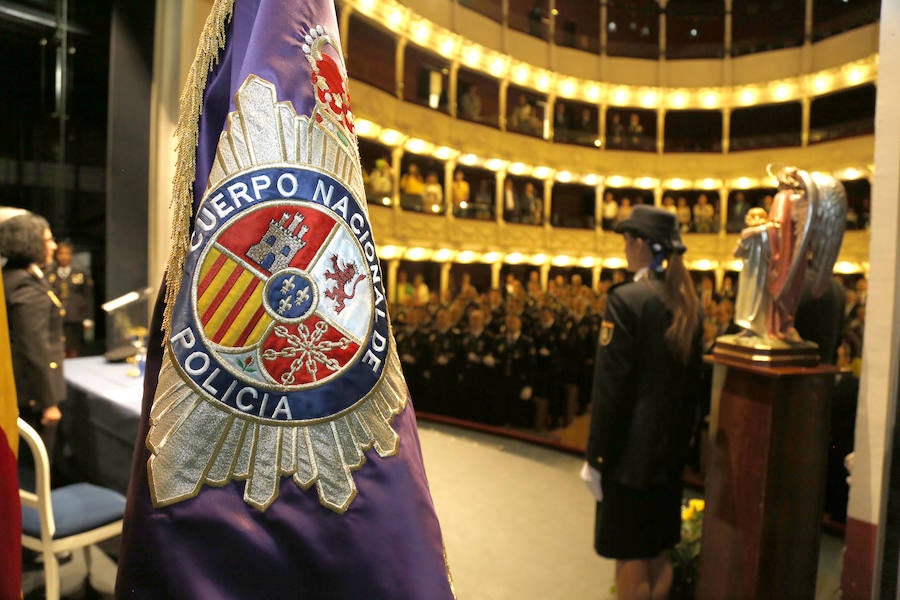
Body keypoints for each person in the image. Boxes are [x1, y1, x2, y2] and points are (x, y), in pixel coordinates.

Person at [583, 205, 702, 600]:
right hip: (668, 457)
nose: (624, 248)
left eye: (627, 240)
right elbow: (692, 393)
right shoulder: (686, 303)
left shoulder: (628, 299)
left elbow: (610, 390)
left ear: (639, 245)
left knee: (631, 558)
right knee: (658, 554)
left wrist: (596, 456)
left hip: (628, 459)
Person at [0, 209, 65, 459]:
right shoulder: (24, 285)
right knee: (34, 468)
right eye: (48, 239)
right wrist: (48, 402)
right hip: (32, 396)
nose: (54, 245)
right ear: (31, 242)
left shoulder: (13, 277)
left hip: (20, 390)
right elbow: (35, 347)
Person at [48, 240, 94, 357]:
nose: (64, 256)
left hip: (75, 317)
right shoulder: (51, 274)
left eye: (67, 253)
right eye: (61, 253)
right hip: (56, 317)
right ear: (57, 256)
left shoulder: (80, 274)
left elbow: (88, 296)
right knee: (58, 349)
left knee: (75, 348)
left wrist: (88, 317)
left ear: (71, 255)